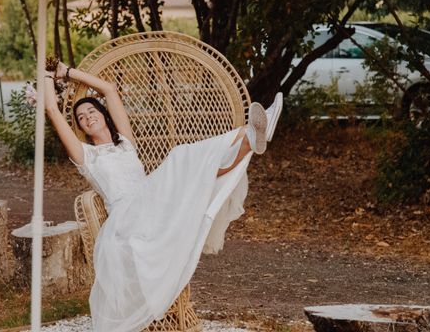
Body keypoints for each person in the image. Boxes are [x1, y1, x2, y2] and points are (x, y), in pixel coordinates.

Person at [43, 61, 282, 332]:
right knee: (181, 158)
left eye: (91, 111)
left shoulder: (125, 141)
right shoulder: (86, 156)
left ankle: (250, 139)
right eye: (81, 118)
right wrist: (48, 76)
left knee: (197, 174)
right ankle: (249, 137)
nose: (87, 117)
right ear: (81, 129)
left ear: (103, 113)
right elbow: (52, 110)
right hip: (127, 217)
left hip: (151, 204)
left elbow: (109, 90)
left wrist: (69, 72)